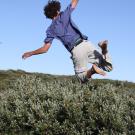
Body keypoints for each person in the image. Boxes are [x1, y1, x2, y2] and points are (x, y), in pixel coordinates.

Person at [22, 0, 113, 83]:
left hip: (77, 50)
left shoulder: (50, 30)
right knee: (108, 67)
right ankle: (104, 49)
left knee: (82, 78)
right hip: (86, 44)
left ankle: (92, 70)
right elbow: (75, 1)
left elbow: (45, 49)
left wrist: (31, 53)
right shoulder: (64, 14)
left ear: (49, 16)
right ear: (57, 10)